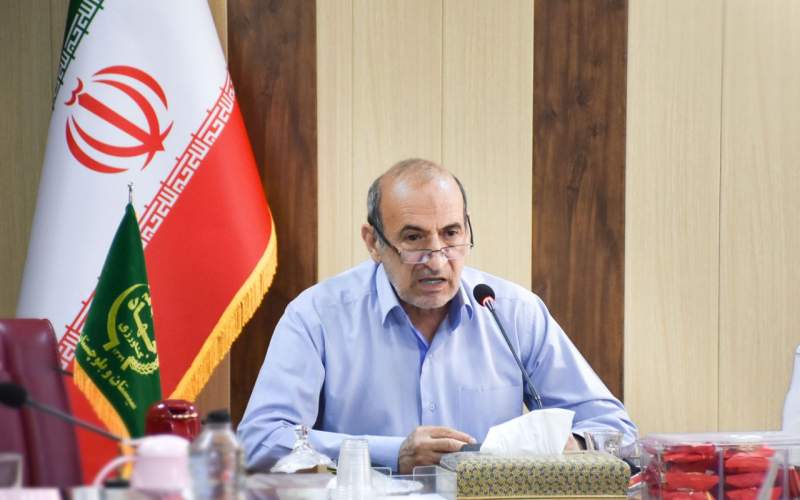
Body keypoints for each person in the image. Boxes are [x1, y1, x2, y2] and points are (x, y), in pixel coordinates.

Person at [237, 158, 637, 473]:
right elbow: (260, 441)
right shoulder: (318, 316)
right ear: (373, 242)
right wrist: (391, 453)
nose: (437, 260)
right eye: (414, 239)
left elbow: (617, 431)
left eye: (451, 235)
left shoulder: (512, 312)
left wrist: (570, 446)